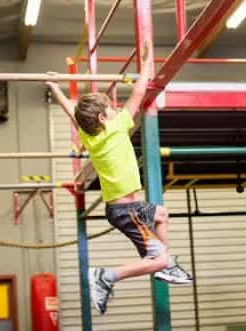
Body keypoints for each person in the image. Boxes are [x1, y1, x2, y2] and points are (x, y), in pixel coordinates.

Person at [46, 46, 193, 315]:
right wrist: (147, 62)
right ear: (103, 119)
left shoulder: (91, 137)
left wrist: (56, 90)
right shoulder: (117, 127)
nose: (116, 108)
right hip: (126, 211)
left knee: (161, 214)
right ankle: (107, 276)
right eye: (111, 108)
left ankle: (165, 263)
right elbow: (138, 92)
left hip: (124, 209)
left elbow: (71, 111)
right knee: (157, 260)